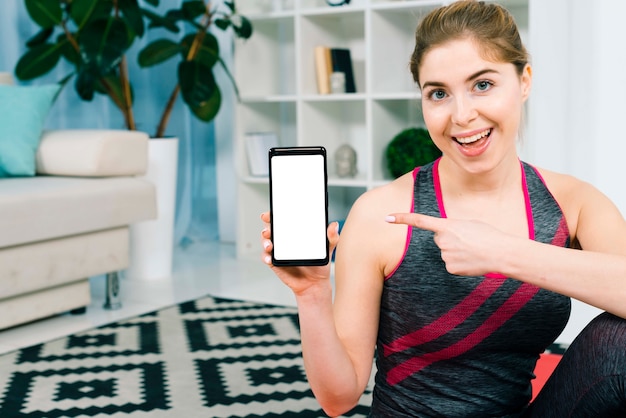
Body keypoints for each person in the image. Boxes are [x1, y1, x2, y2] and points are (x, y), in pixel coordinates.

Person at [260, 1, 626, 416]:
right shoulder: (381, 214)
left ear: (524, 80)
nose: (462, 116)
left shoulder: (572, 203)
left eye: (483, 85)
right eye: (438, 93)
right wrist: (311, 296)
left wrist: (502, 252)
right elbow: (338, 399)